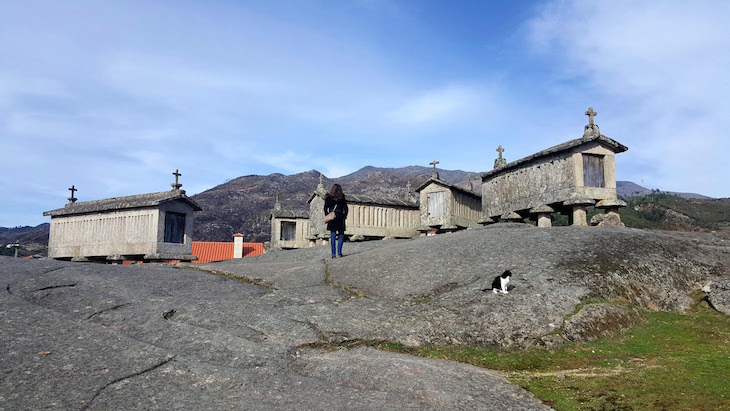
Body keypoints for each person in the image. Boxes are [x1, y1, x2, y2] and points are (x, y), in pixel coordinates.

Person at [324, 183, 348, 258]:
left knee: (333, 235)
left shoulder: (328, 197)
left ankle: (333, 254)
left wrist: (329, 215)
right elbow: (346, 208)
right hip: (340, 217)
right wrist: (344, 216)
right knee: (341, 235)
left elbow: (325, 208)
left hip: (332, 217)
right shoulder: (342, 197)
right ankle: (339, 253)